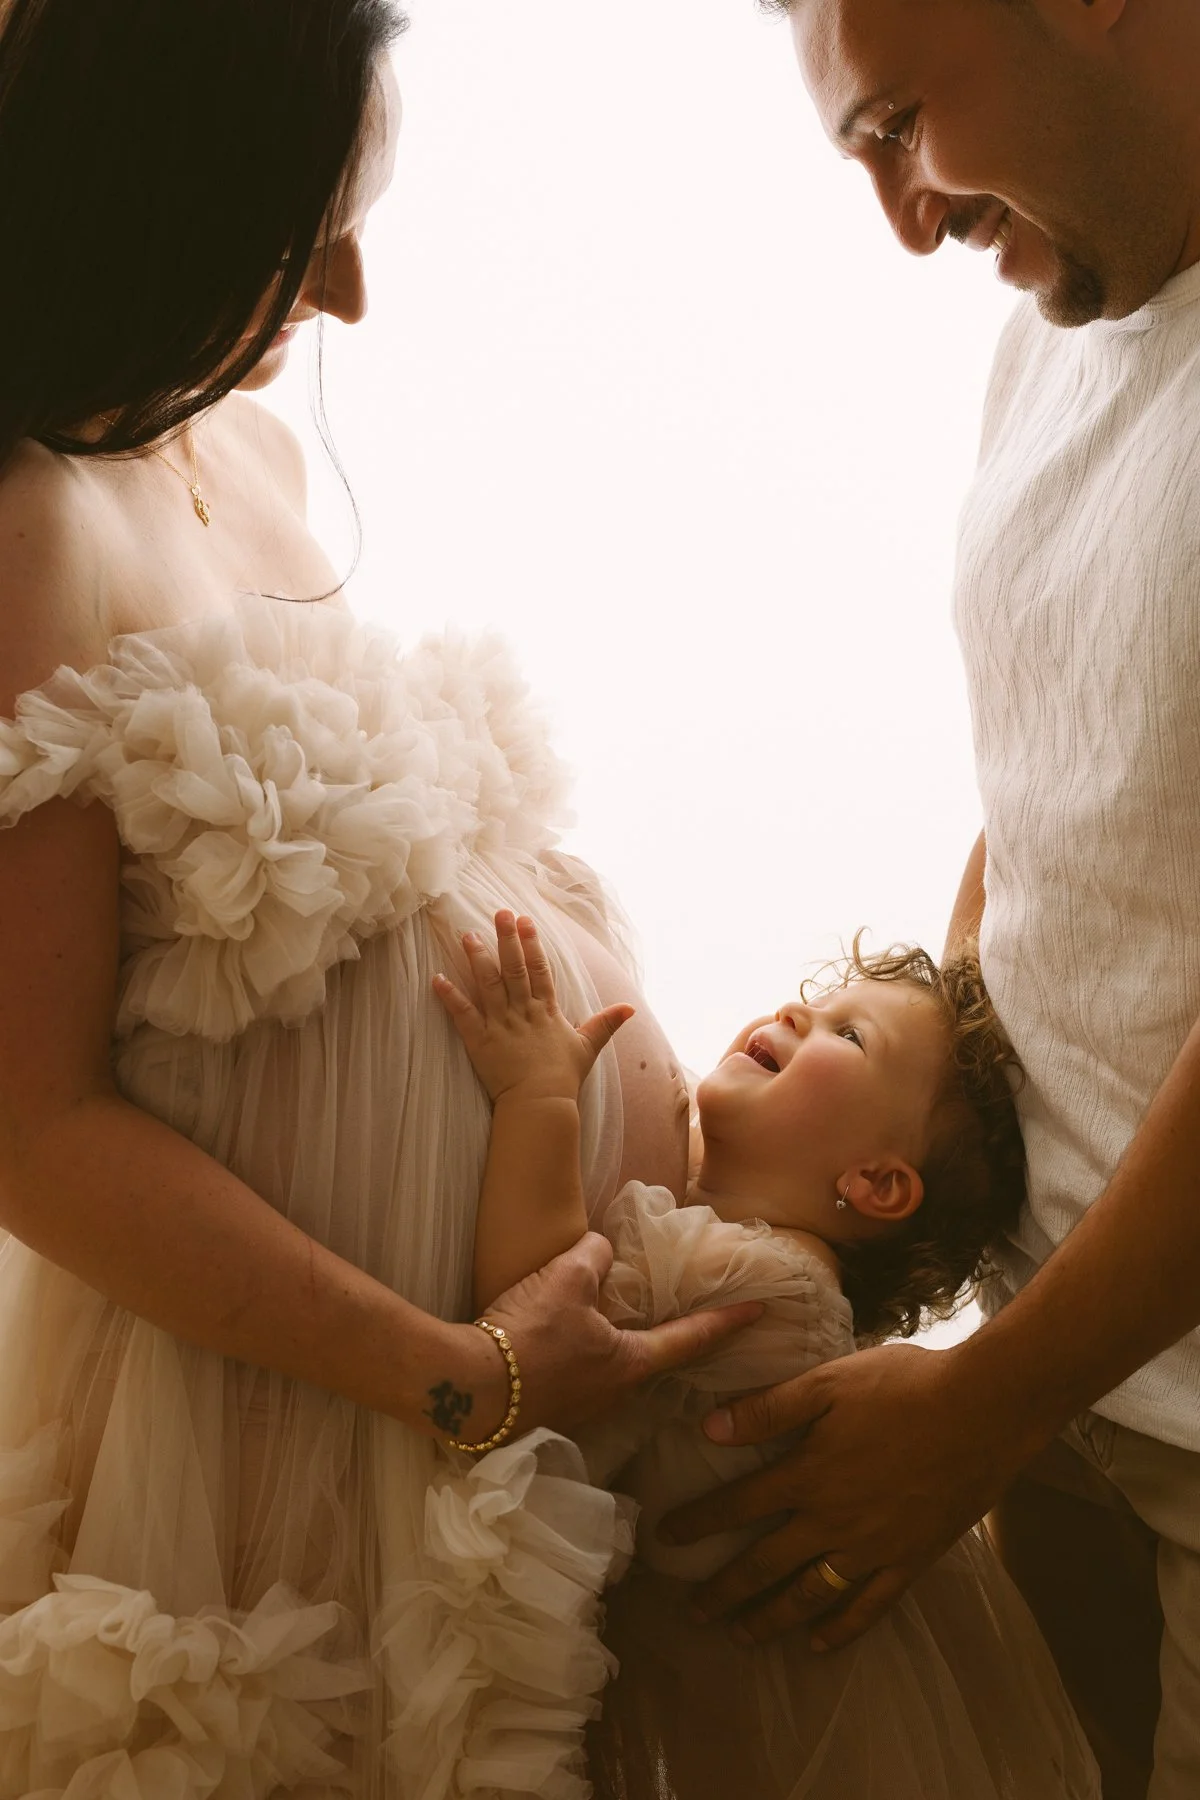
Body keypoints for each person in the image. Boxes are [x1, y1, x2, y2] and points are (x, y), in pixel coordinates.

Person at [0, 4, 758, 1789]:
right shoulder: (24, 527)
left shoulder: (242, 450)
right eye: (305, 227)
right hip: (273, 1448)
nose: (346, 292)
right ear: (156, 198)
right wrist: (456, 1371)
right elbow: (29, 1126)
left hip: (468, 1423)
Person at [656, 3, 1200, 1795]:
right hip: (1059, 1381)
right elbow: (1065, 779)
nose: (906, 217)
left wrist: (985, 1402)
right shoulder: (1054, 327)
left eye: (899, 122)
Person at [392, 908, 1099, 1798]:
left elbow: (538, 1318)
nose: (796, 1012)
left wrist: (538, 1094)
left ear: (876, 1183)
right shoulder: (736, 1252)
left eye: (850, 1033)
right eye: (816, 1001)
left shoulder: (767, 1285)